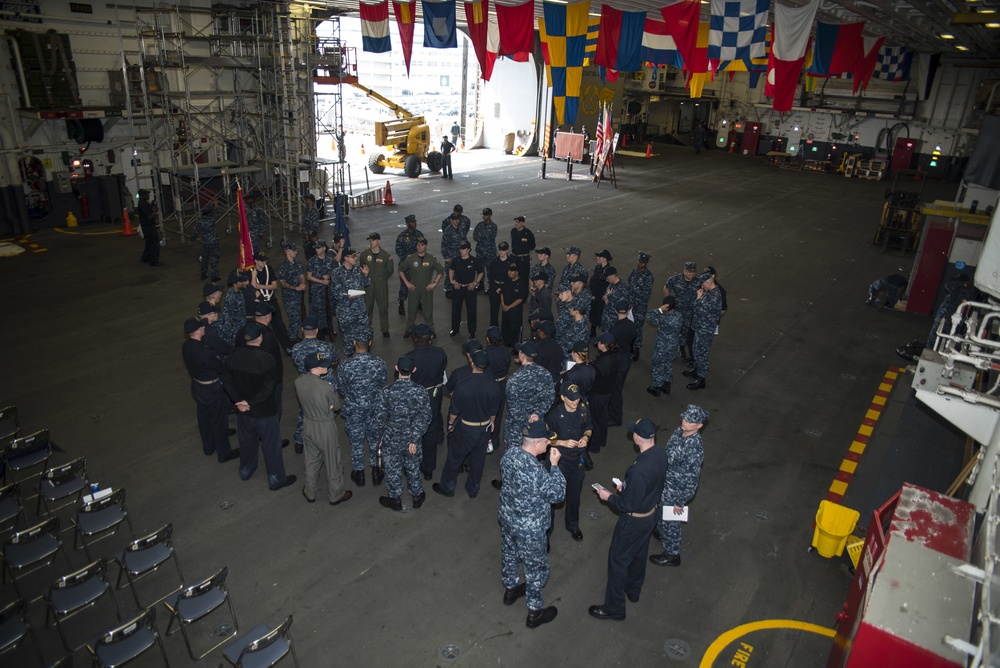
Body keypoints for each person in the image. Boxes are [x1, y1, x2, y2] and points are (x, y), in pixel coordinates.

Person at [589, 417, 669, 620]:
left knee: (618, 560)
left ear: (638, 437)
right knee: (639, 553)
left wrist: (609, 497)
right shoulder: (660, 454)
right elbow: (649, 486)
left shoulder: (639, 469)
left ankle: (614, 607)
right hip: (650, 514)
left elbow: (627, 505)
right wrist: (627, 488)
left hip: (633, 521)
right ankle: (633, 590)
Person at [497, 417, 566, 629]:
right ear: (536, 443)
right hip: (530, 528)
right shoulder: (536, 471)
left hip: (508, 519)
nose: (549, 444)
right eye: (547, 441)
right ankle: (535, 611)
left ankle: (510, 589)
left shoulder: (509, 455)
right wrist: (555, 466)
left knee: (509, 553)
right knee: (535, 567)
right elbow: (558, 494)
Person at [221, 322, 296, 490]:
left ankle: (246, 470)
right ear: (260, 338)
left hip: (243, 412)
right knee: (271, 446)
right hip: (264, 412)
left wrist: (239, 401)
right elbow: (268, 388)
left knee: (246, 442)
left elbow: (226, 380)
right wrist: (250, 402)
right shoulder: (266, 358)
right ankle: (276, 479)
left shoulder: (233, 355)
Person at [436, 349, 502, 498]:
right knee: (478, 459)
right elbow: (494, 409)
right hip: (484, 428)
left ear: (471, 362)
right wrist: (491, 423)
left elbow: (454, 410)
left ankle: (448, 487)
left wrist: (451, 424)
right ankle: (473, 489)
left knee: (454, 458)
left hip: (466, 428)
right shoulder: (493, 384)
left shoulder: (462, 385)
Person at [650, 405, 707, 567]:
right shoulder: (679, 431)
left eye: (690, 421)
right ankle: (662, 532)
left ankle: (672, 554)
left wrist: (680, 501)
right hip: (665, 482)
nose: (685, 422)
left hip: (675, 491)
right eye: (685, 418)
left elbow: (692, 479)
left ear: (699, 426)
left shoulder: (694, 448)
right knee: (660, 512)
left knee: (670, 521)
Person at [375, 355, 432, 511]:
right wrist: (414, 438)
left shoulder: (386, 392)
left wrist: (380, 437)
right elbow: (425, 417)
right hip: (411, 441)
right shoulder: (420, 392)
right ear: (413, 370)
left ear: (396, 368)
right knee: (413, 467)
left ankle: (395, 499)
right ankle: (417, 496)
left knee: (392, 469)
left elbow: (379, 418)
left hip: (391, 439)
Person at [295, 352, 352, 506]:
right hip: (324, 426)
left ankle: (310, 491)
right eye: (323, 365)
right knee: (332, 460)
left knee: (311, 459)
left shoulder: (299, 381)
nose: (326, 367)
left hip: (308, 424)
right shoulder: (326, 387)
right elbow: (337, 406)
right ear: (315, 368)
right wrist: (331, 405)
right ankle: (336, 494)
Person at [181, 318, 238, 463]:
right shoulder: (204, 352)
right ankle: (224, 453)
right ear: (198, 331)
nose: (204, 328)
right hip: (211, 388)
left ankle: (208, 446)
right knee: (218, 420)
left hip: (197, 386)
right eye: (202, 326)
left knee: (204, 417)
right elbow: (220, 367)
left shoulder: (186, 346)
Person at [337, 330, 387, 487]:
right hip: (374, 408)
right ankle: (376, 471)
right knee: (375, 439)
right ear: (370, 343)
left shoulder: (344, 365)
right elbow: (382, 387)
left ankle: (358, 473)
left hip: (354, 409)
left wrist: (354, 397)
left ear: (354, 342)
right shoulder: (379, 363)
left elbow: (342, 389)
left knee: (356, 440)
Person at [546, 382, 592, 542]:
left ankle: (572, 524)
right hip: (559, 462)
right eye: (571, 399)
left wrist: (586, 437)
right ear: (562, 397)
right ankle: (547, 531)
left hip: (577, 461)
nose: (575, 401)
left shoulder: (584, 409)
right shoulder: (553, 416)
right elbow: (546, 439)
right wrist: (562, 442)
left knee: (574, 496)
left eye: (577, 398)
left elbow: (588, 427)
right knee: (552, 498)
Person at [291, 316, 338, 454]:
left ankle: (299, 441)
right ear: (317, 330)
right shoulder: (327, 347)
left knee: (304, 412)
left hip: (306, 386)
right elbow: (335, 360)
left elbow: (297, 362)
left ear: (302, 330)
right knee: (328, 414)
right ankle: (326, 442)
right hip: (325, 386)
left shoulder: (296, 348)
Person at [502, 341, 556, 454]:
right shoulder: (546, 374)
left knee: (514, 458)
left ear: (522, 355)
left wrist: (527, 418)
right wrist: (536, 415)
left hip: (517, 428)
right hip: (537, 424)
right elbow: (550, 398)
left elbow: (514, 409)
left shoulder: (514, 380)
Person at [409, 323, 448, 480]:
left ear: (414, 338)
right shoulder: (440, 353)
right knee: (433, 422)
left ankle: (417, 461)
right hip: (434, 392)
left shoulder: (409, 358)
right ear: (431, 337)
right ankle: (429, 468)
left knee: (415, 426)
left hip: (416, 396)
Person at [682, 272, 722, 391]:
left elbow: (701, 310)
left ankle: (701, 379)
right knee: (695, 349)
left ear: (708, 282)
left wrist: (698, 299)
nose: (701, 286)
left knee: (702, 353)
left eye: (703, 284)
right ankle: (696, 370)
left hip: (705, 330)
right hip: (699, 327)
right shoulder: (708, 292)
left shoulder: (715, 295)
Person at [400, 236, 445, 337]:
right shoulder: (411, 259)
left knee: (428, 311)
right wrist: (407, 282)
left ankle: (431, 330)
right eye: (418, 245)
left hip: (426, 289)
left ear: (426, 246)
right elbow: (401, 269)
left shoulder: (431, 259)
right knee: (411, 310)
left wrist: (434, 283)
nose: (419, 247)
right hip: (413, 289)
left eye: (422, 245)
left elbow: (441, 271)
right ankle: (408, 330)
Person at [331, 247, 371, 357]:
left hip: (360, 310)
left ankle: (364, 356)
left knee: (364, 335)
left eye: (356, 256)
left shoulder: (358, 269)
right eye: (353, 257)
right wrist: (349, 296)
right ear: (346, 258)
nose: (356, 258)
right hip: (346, 312)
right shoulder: (337, 273)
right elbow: (336, 293)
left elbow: (365, 283)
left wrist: (366, 275)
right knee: (348, 337)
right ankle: (350, 359)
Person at [251, 252, 291, 353]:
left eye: (265, 260)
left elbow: (274, 286)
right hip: (260, 304)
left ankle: (287, 347)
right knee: (261, 328)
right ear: (256, 261)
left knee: (279, 325)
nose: (264, 262)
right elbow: (252, 289)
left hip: (271, 301)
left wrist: (260, 286)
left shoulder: (269, 269)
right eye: (261, 260)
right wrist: (253, 277)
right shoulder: (251, 272)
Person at [588, 332, 621, 455]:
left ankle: (594, 445)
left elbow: (593, 378)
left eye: (599, 342)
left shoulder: (601, 363)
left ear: (603, 345)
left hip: (597, 395)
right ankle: (602, 440)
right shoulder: (615, 357)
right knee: (603, 417)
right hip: (608, 393)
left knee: (595, 420)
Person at [360, 232, 395, 338]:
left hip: (381, 284)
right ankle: (367, 328)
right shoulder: (365, 254)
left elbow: (390, 271)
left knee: (383, 307)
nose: (371, 242)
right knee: (368, 306)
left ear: (378, 241)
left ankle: (385, 329)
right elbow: (362, 267)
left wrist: (381, 278)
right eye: (370, 240)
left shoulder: (386, 256)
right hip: (369, 285)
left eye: (373, 240)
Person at [646, 296, 683, 396]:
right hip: (672, 344)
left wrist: (659, 310)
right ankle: (667, 385)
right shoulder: (679, 316)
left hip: (661, 345)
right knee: (668, 364)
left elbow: (649, 317)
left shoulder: (664, 319)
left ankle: (656, 387)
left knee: (657, 365)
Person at [664, 261, 699, 361]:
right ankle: (669, 350)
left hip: (690, 312)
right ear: (684, 270)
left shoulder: (698, 282)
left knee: (686, 331)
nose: (691, 274)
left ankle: (682, 348)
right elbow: (666, 288)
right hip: (676, 311)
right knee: (672, 331)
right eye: (689, 272)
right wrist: (668, 303)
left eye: (693, 272)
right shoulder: (675, 280)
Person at [609, 300, 637, 425]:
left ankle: (615, 418)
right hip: (626, 357)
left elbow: (610, 344)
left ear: (615, 311)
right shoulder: (631, 325)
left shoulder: (616, 328)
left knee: (615, 389)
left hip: (618, 359)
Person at [484, 326, 511, 454]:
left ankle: (484, 441)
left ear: (488, 339)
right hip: (501, 384)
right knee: (498, 415)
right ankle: (495, 441)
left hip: (488, 386)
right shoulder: (506, 351)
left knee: (485, 413)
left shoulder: (485, 353)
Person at [449, 241, 484, 338]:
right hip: (458, 288)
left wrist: (476, 282)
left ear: (469, 250)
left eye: (463, 249)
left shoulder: (474, 261)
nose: (461, 250)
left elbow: (481, 272)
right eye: (460, 248)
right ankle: (455, 329)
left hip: (470, 288)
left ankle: (471, 331)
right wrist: (452, 281)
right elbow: (451, 270)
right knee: (456, 309)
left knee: (471, 310)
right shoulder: (456, 260)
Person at [927, 273, 972, 347]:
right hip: (948, 318)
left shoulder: (961, 290)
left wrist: (961, 283)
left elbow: (948, 285)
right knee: (940, 339)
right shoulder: (961, 290)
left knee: (935, 337)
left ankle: (930, 350)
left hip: (947, 318)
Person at [395, 214, 425, 315]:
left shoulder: (419, 234)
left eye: (415, 221)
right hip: (406, 265)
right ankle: (401, 304)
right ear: (407, 224)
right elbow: (398, 250)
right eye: (412, 222)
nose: (414, 224)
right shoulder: (402, 236)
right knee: (404, 286)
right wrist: (408, 259)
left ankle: (418, 302)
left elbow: (423, 247)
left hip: (418, 265)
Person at [277, 242, 306, 346]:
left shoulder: (297, 263)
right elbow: (282, 283)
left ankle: (295, 336)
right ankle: (292, 340)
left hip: (299, 296)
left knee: (299, 317)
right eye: (294, 250)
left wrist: (303, 283)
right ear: (287, 252)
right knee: (293, 319)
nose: (296, 252)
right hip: (290, 298)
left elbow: (301, 275)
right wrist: (296, 288)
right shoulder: (284, 267)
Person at [628, 253, 654, 361]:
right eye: (639, 261)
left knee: (638, 328)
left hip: (639, 307)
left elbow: (645, 294)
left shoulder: (648, 276)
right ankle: (630, 345)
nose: (640, 264)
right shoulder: (633, 272)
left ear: (646, 263)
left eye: (642, 262)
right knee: (629, 326)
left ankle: (637, 348)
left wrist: (632, 303)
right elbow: (629, 286)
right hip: (630, 306)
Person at [307, 240, 334, 340]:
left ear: (324, 248)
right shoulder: (312, 261)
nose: (317, 250)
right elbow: (309, 277)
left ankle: (328, 328)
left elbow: (335, 272)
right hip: (317, 291)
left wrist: (329, 276)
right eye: (316, 248)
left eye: (319, 247)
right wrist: (321, 281)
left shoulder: (330, 259)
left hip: (328, 290)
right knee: (317, 311)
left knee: (328, 310)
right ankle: (320, 331)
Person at [441, 212, 469, 300]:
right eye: (454, 219)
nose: (456, 221)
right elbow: (443, 245)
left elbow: (465, 241)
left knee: (459, 272)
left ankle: (457, 288)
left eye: (457, 219)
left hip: (460, 255)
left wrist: (466, 252)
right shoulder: (448, 231)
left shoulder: (461, 229)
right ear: (451, 220)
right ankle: (448, 289)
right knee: (449, 272)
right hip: (451, 255)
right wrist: (446, 256)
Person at [219, 270, 249, 347]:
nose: (243, 283)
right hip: (236, 330)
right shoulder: (231, 297)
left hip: (242, 326)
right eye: (241, 281)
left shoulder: (239, 291)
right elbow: (227, 315)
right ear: (235, 283)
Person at [191, 205, 221, 281]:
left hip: (205, 242)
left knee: (204, 258)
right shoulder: (212, 219)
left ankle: (203, 274)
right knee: (214, 258)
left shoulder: (200, 221)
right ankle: (214, 276)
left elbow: (195, 231)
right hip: (213, 242)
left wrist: (192, 239)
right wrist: (216, 205)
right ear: (210, 213)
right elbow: (218, 212)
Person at [501, 263, 528, 347]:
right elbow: (502, 292)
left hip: (515, 310)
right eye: (509, 270)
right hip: (505, 309)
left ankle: (515, 346)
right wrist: (503, 305)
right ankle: (506, 342)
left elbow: (520, 299)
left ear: (517, 272)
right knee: (505, 326)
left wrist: (508, 307)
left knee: (515, 328)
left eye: (511, 271)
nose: (509, 272)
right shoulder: (506, 280)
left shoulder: (521, 283)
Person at [488, 242, 512, 328]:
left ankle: (505, 329)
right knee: (494, 311)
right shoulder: (494, 262)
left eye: (503, 250)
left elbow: (511, 278)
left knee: (506, 310)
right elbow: (490, 276)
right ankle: (494, 330)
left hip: (506, 289)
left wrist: (502, 287)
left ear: (507, 251)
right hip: (494, 288)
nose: (501, 252)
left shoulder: (511, 263)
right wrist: (495, 287)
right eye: (500, 250)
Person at [589, 250, 613, 336]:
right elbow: (593, 281)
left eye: (599, 257)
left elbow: (604, 286)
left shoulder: (608, 271)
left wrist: (595, 294)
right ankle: (593, 330)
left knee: (600, 315)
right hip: (594, 296)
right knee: (593, 313)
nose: (597, 258)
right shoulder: (597, 268)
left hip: (600, 297)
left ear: (604, 259)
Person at [136, 189, 162, 266]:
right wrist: (155, 211)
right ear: (142, 196)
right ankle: (153, 261)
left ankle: (145, 257)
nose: (148, 196)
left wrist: (152, 205)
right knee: (154, 244)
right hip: (149, 227)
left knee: (149, 243)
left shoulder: (143, 203)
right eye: (147, 195)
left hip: (146, 226)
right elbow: (149, 216)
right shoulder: (143, 204)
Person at [473, 208, 498, 288]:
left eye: (486, 215)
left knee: (490, 270)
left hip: (489, 252)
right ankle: (480, 285)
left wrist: (481, 235)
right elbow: (475, 236)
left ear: (490, 216)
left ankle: (491, 286)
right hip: (480, 251)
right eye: (483, 215)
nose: (484, 216)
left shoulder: (493, 226)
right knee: (480, 269)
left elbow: (491, 237)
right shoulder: (479, 225)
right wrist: (483, 235)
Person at [534, 321, 564, 385]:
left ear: (542, 333)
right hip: (555, 381)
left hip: (542, 382)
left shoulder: (538, 349)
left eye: (539, 329)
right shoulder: (559, 346)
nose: (538, 331)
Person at [600, 268, 627, 335]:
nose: (606, 280)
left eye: (607, 277)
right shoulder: (611, 285)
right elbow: (604, 296)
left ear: (612, 276)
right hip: (606, 320)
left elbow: (621, 307)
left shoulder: (622, 289)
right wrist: (605, 297)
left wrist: (608, 299)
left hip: (613, 322)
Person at [509, 216, 535, 285]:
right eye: (516, 222)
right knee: (512, 276)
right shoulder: (513, 231)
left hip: (523, 259)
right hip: (514, 257)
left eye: (519, 222)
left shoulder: (528, 233)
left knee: (523, 278)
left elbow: (532, 245)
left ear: (523, 223)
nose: (516, 223)